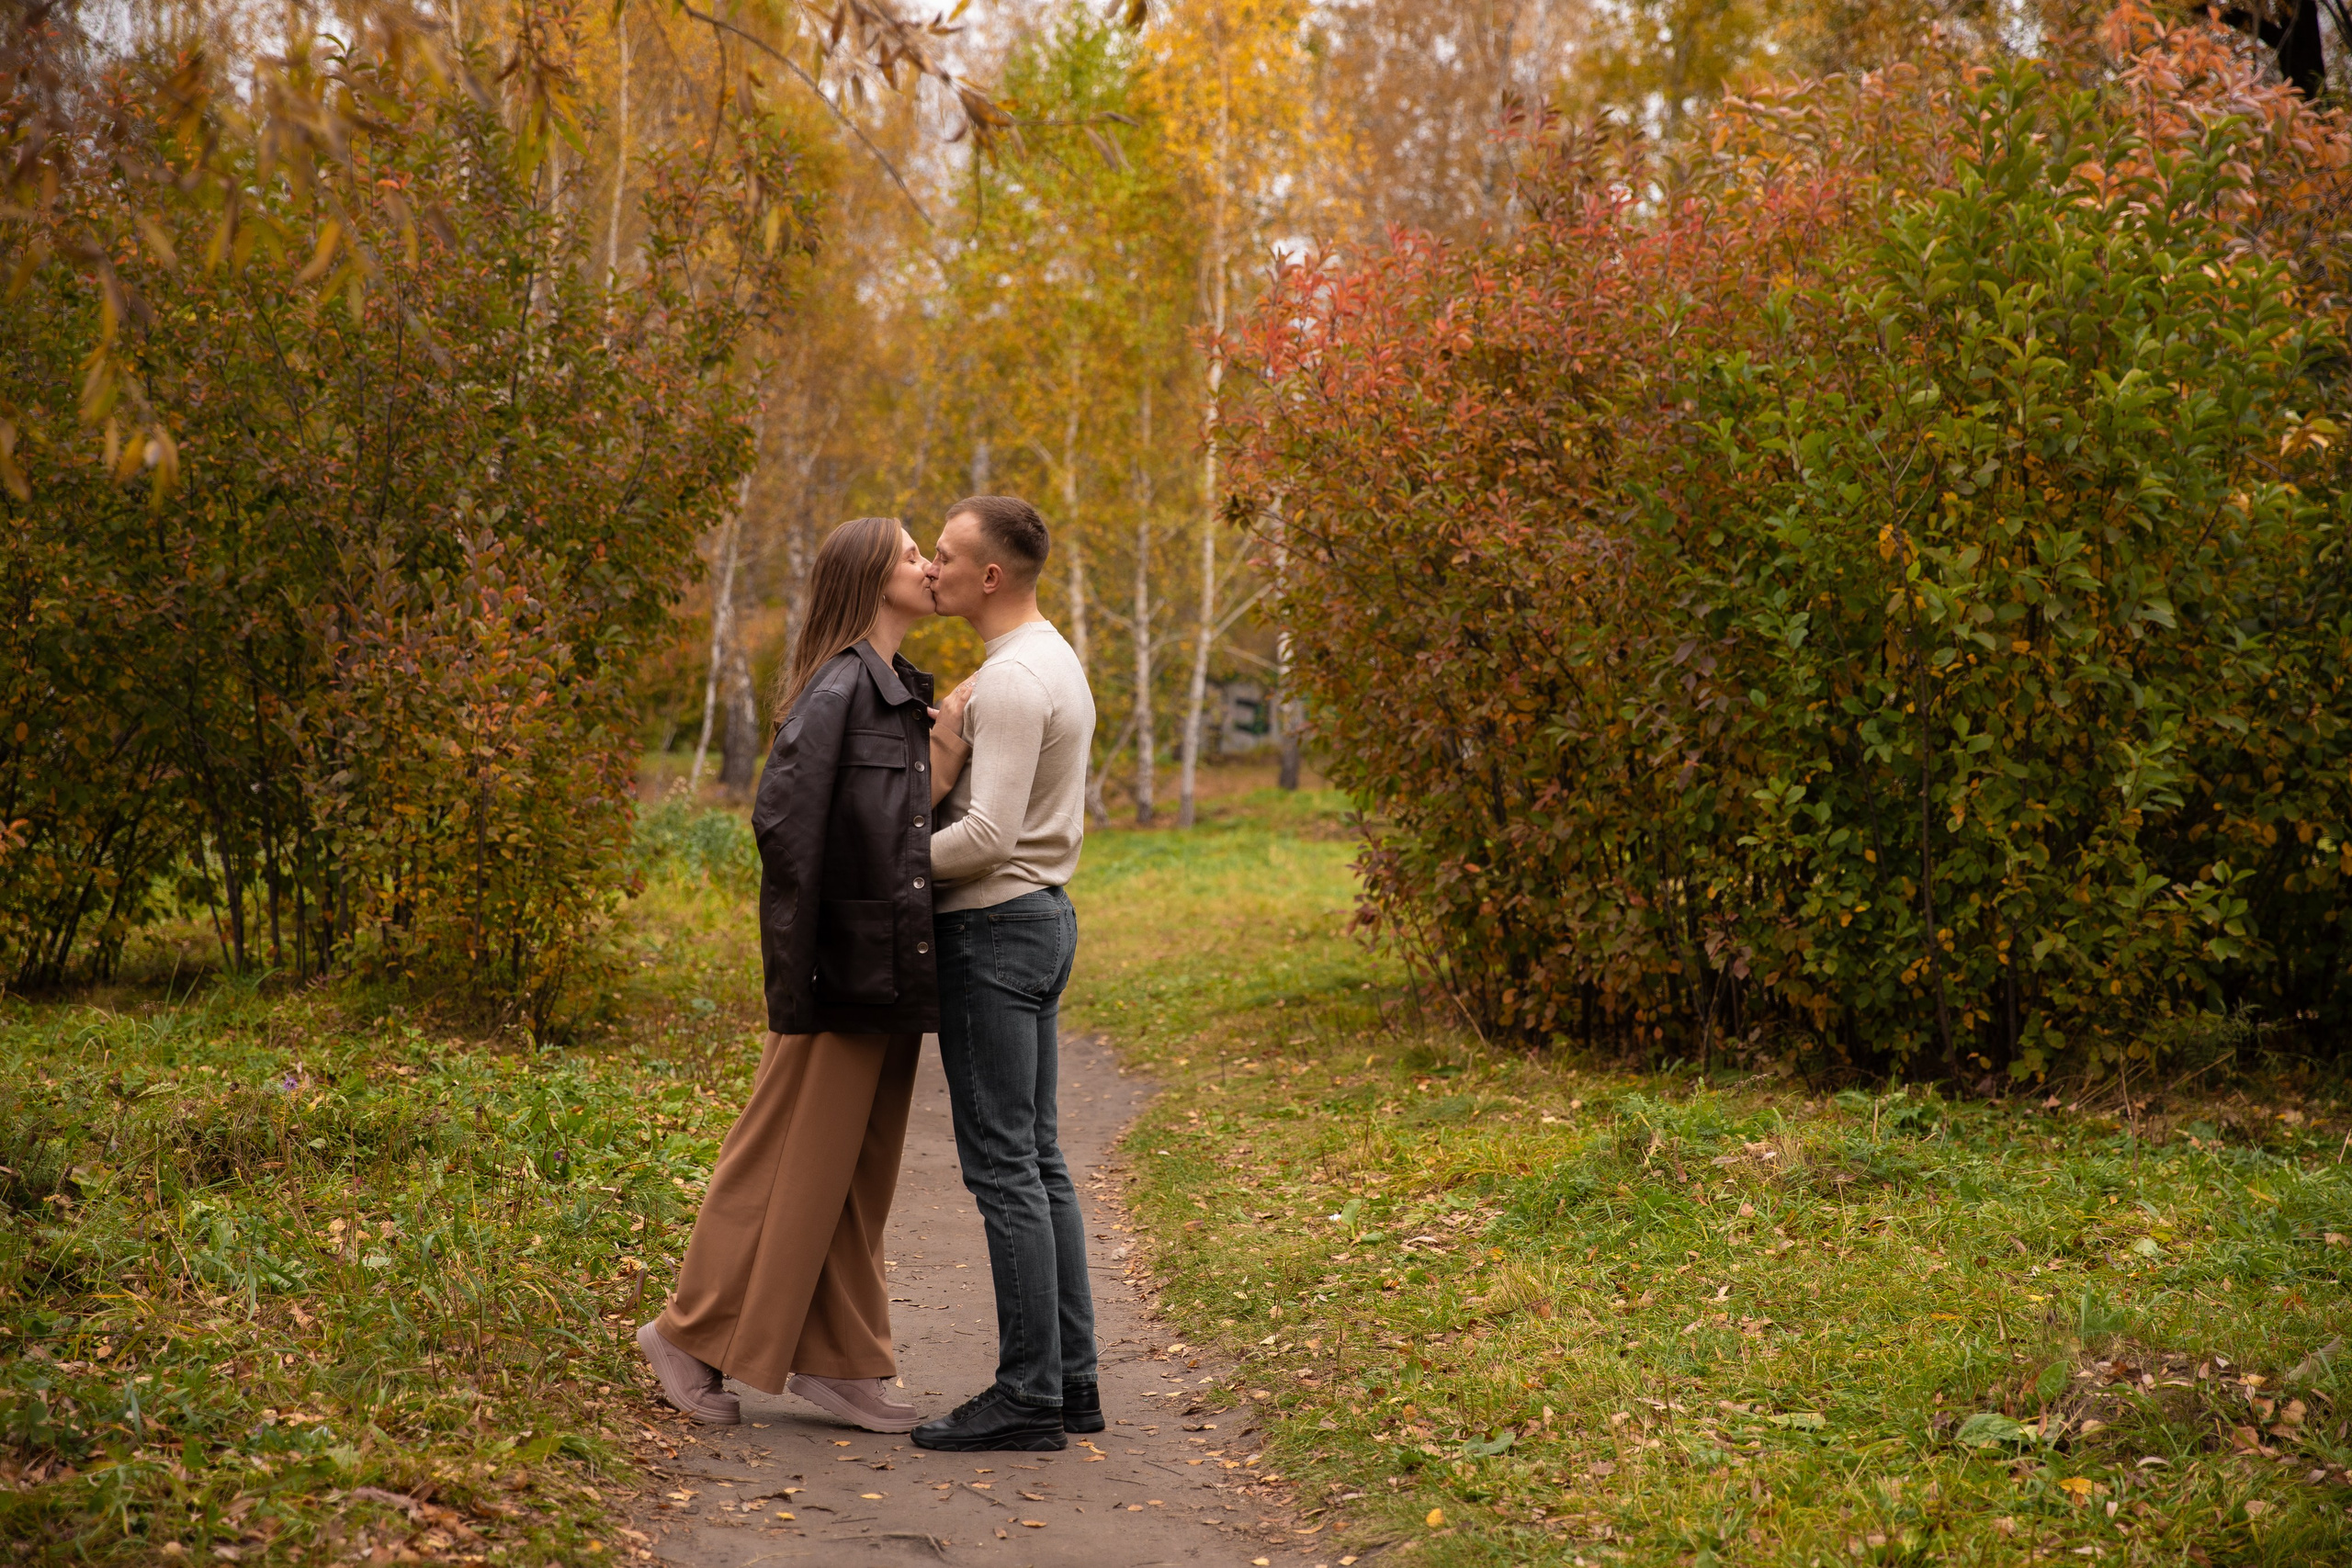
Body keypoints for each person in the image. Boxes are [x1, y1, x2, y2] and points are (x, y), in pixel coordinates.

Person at [635, 516, 969, 1434]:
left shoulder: (894, 689)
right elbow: (785, 830)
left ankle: (840, 1360)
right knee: (779, 1160)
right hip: (838, 972)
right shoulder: (837, 690)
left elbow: (897, 820)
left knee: (851, 1173)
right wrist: (804, 976)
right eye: (910, 555)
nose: (926, 567)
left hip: (885, 967)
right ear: (870, 577)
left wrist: (951, 730)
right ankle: (686, 1333)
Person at [908, 494, 1102, 1453]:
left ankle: (1028, 1394)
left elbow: (986, 839)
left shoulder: (1018, 680)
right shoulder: (1039, 660)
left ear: (989, 576)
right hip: (1033, 922)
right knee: (1039, 1162)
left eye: (944, 555)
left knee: (1005, 1172)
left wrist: (884, 860)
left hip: (997, 930)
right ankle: (1068, 1382)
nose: (930, 566)